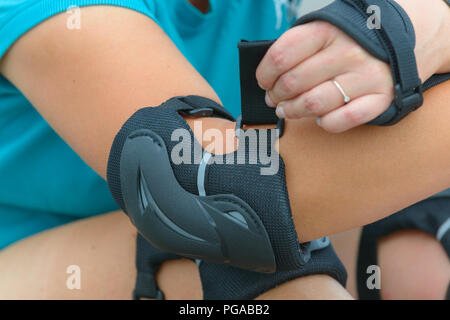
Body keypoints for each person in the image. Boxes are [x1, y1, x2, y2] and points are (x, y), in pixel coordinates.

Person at [0, 0, 448, 299]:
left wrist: (435, 34)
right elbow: (199, 187)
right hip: (25, 267)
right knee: (267, 272)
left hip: (178, 237)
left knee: (422, 249)